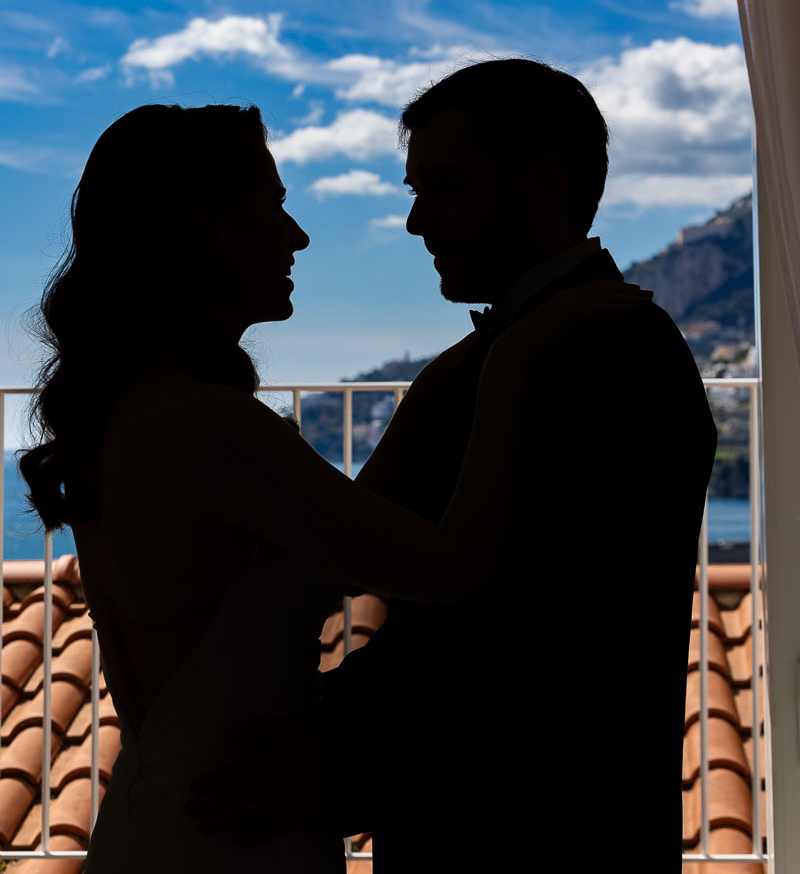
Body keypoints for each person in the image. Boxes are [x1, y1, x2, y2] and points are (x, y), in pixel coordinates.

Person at [18, 100, 650, 874]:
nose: (298, 235)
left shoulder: (153, 410)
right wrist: (514, 362)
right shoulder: (207, 424)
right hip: (226, 838)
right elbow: (460, 571)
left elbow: (347, 540)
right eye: (275, 206)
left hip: (189, 816)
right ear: (212, 226)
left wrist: (473, 358)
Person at [190, 60, 717, 870]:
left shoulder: (593, 355)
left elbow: (518, 652)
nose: (414, 222)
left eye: (441, 185)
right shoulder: (513, 353)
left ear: (544, 183)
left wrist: (314, 756)